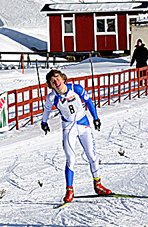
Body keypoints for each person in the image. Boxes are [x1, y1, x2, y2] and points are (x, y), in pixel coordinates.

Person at [40, 69, 112, 203]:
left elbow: (89, 102)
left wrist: (96, 118)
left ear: (63, 78)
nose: (56, 82)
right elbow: (46, 110)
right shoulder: (52, 97)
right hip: (69, 128)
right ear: (50, 85)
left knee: (92, 155)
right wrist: (44, 122)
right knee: (71, 159)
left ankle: (98, 185)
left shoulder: (76, 89)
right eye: (52, 81)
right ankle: (69, 190)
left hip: (83, 125)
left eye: (57, 78)